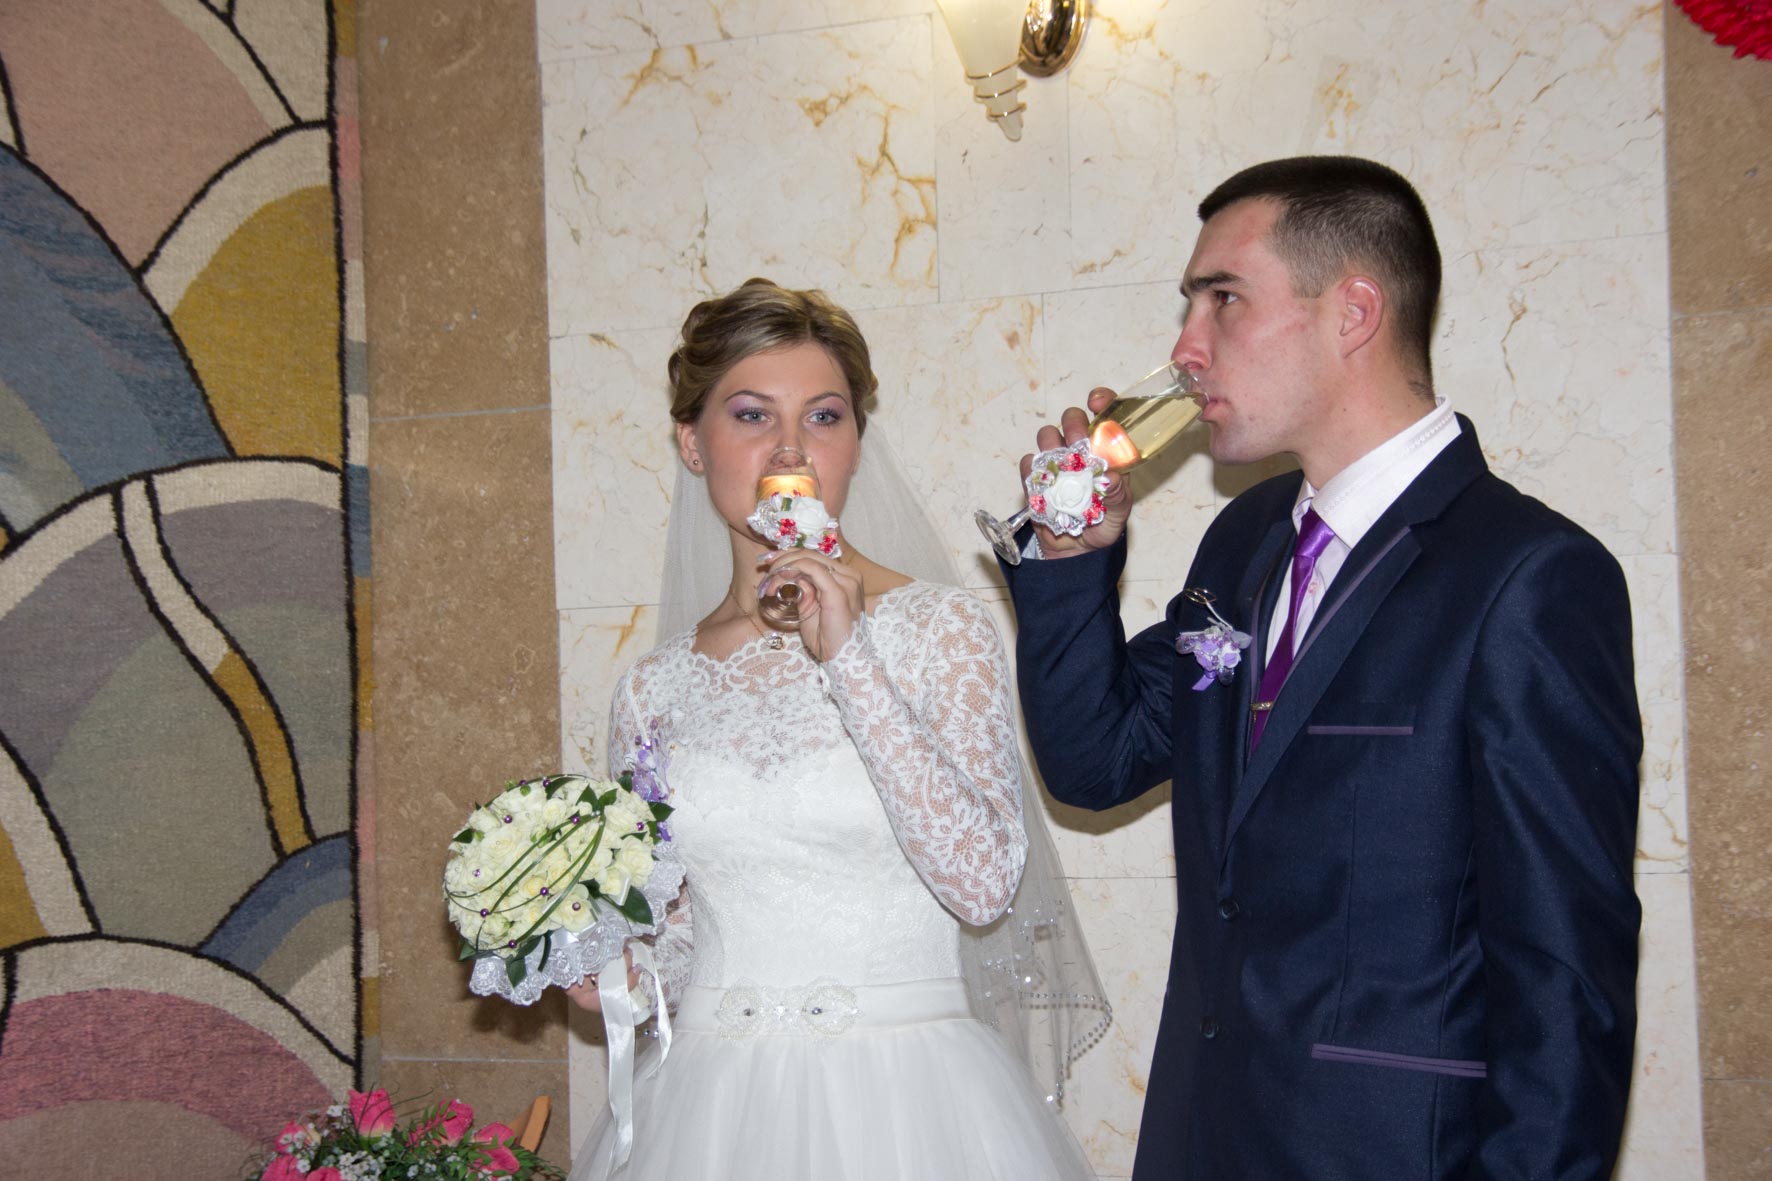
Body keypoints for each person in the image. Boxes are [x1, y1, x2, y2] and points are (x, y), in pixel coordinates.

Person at [1003, 157, 1642, 1180]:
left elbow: (1564, 976)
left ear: (1353, 313)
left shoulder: (1527, 576)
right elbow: (1096, 761)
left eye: (1223, 298)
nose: (1184, 347)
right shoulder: (1243, 543)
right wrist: (1071, 563)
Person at [565, 278, 1107, 1181]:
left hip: (905, 1104)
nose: (790, 448)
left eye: (823, 416)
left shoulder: (941, 628)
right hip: (712, 1111)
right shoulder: (652, 688)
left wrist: (850, 656)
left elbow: (983, 885)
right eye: (751, 415)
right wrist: (616, 973)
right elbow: (686, 928)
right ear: (692, 443)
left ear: (856, 442)